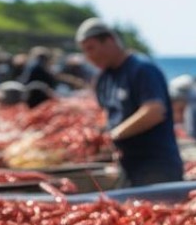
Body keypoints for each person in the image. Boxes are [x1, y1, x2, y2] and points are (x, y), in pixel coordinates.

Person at [77, 17, 184, 186]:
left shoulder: (141, 69)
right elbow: (107, 114)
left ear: (110, 40)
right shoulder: (104, 78)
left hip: (156, 165)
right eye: (85, 51)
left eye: (91, 48)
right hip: (127, 166)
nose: (89, 56)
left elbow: (155, 110)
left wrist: (114, 135)